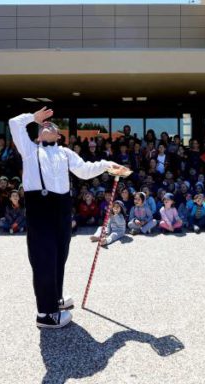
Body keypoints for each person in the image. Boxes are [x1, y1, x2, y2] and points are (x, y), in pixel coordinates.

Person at [9, 107, 126, 329]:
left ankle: (55, 299)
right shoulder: (29, 149)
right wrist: (34, 118)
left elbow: (84, 170)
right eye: (44, 126)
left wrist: (107, 166)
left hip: (62, 206)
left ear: (59, 136)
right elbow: (14, 123)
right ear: (37, 135)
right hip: (40, 207)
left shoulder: (65, 152)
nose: (48, 125)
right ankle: (46, 314)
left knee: (60, 254)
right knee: (43, 257)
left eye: (52, 126)